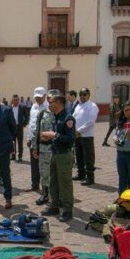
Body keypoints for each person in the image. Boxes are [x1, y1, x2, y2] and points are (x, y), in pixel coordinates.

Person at [41, 93, 76, 222]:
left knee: (65, 183)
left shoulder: (68, 118)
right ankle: (54, 205)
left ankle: (67, 210)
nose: (49, 104)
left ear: (59, 103)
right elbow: (57, 138)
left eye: (51, 102)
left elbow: (70, 139)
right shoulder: (56, 117)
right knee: (53, 182)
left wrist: (53, 135)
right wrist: (48, 139)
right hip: (55, 153)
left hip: (64, 155)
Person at [32, 89, 58, 206]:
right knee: (44, 173)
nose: (50, 100)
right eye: (49, 98)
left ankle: (57, 197)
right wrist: (34, 148)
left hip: (56, 150)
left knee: (56, 174)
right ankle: (45, 194)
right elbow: (36, 131)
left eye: (52, 98)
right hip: (43, 149)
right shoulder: (42, 113)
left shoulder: (61, 113)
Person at [72, 88, 99, 185]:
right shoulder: (78, 105)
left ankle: (90, 178)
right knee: (79, 156)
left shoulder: (92, 106)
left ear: (89, 95)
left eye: (84, 94)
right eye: (81, 94)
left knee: (88, 157)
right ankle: (81, 174)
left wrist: (79, 130)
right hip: (77, 135)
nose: (82, 96)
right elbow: (74, 118)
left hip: (87, 135)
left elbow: (91, 121)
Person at [27, 87, 48, 192]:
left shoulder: (48, 107)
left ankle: (46, 187)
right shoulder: (33, 106)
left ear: (45, 96)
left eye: (40, 97)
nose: (38, 99)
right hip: (33, 139)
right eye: (36, 97)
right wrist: (28, 137)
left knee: (44, 164)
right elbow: (31, 123)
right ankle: (34, 184)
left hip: (44, 139)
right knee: (34, 164)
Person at [9, 94, 29, 162]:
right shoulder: (9, 108)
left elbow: (27, 116)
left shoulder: (22, 107)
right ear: (12, 100)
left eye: (17, 100)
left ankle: (20, 156)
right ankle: (13, 156)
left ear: (19, 100)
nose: (16, 101)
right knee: (12, 142)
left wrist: (24, 124)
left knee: (20, 142)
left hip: (19, 127)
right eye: (14, 100)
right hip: (12, 127)